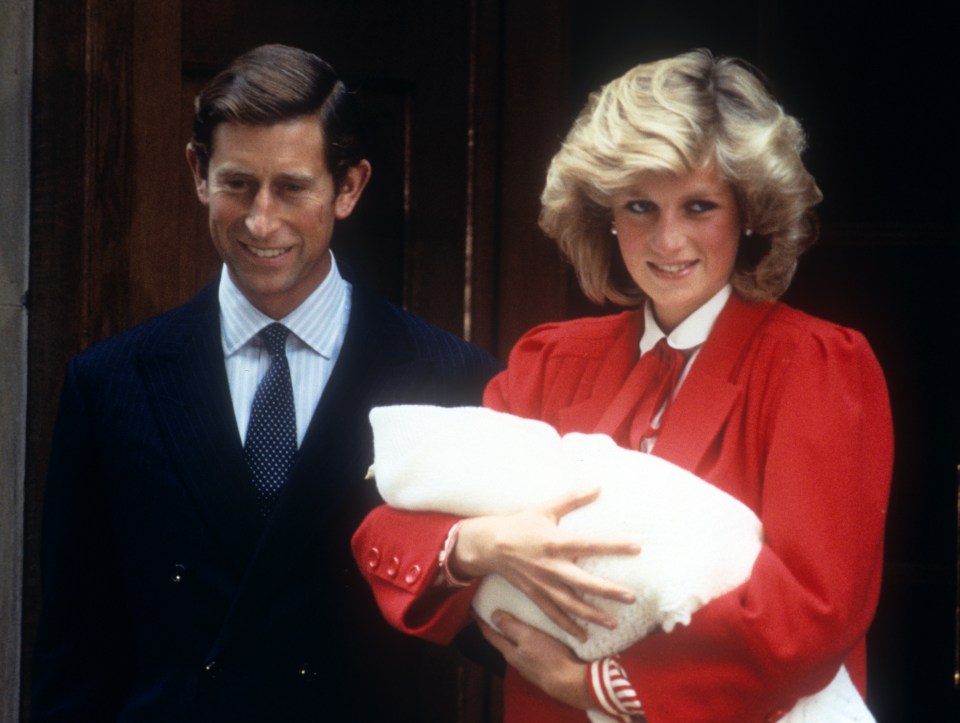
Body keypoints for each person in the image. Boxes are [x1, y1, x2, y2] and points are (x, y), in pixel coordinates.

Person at [352, 49, 893, 722]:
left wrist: (595, 684)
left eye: (699, 206)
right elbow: (390, 530)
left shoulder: (815, 365)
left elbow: (811, 614)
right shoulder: (550, 360)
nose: (667, 240)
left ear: (749, 211)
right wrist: (482, 546)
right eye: (640, 205)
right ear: (604, 213)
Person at [31, 44, 500, 722]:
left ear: (349, 187)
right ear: (198, 173)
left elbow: (497, 634)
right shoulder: (109, 385)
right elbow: (74, 660)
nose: (260, 220)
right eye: (238, 183)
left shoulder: (448, 377)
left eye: (292, 188)